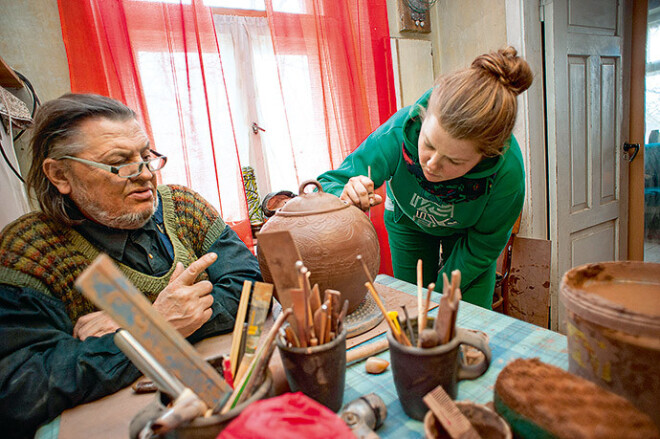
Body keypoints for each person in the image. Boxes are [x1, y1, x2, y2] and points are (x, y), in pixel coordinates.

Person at [0, 93, 262, 438]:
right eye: (120, 162)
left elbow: (252, 292)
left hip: (212, 400)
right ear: (60, 174)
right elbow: (24, 388)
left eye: (147, 156)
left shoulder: (183, 206)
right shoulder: (29, 248)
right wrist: (155, 327)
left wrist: (139, 321)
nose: (145, 176)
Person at [318, 47, 533, 309]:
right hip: (409, 224)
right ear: (423, 118)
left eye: (453, 161)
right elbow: (328, 182)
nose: (430, 164)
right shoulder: (399, 130)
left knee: (467, 317)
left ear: (486, 156)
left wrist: (439, 293)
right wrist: (344, 193)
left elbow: (483, 245)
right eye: (428, 144)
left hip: (470, 239)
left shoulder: (508, 172)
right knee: (414, 308)